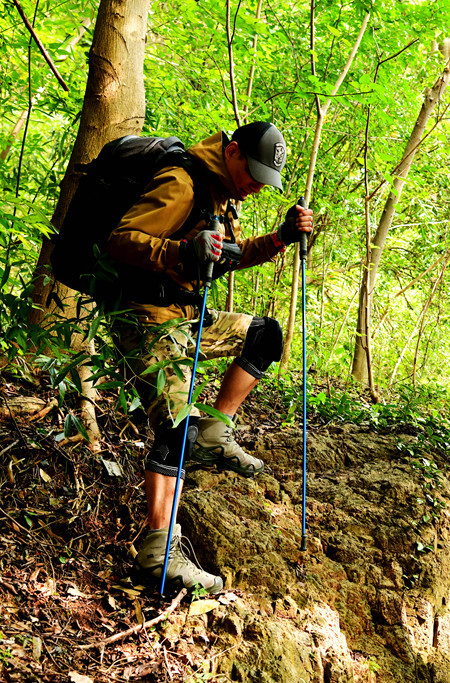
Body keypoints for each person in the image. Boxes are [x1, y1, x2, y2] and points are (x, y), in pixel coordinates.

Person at [104, 122, 313, 593]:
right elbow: (120, 240)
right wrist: (180, 251)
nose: (257, 185)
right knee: (177, 426)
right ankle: (158, 554)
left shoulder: (221, 194)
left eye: (265, 179)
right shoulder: (182, 182)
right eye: (254, 173)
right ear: (233, 151)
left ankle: (215, 433)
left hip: (187, 313)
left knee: (264, 336)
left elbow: (227, 256)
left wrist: (279, 238)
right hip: (146, 314)